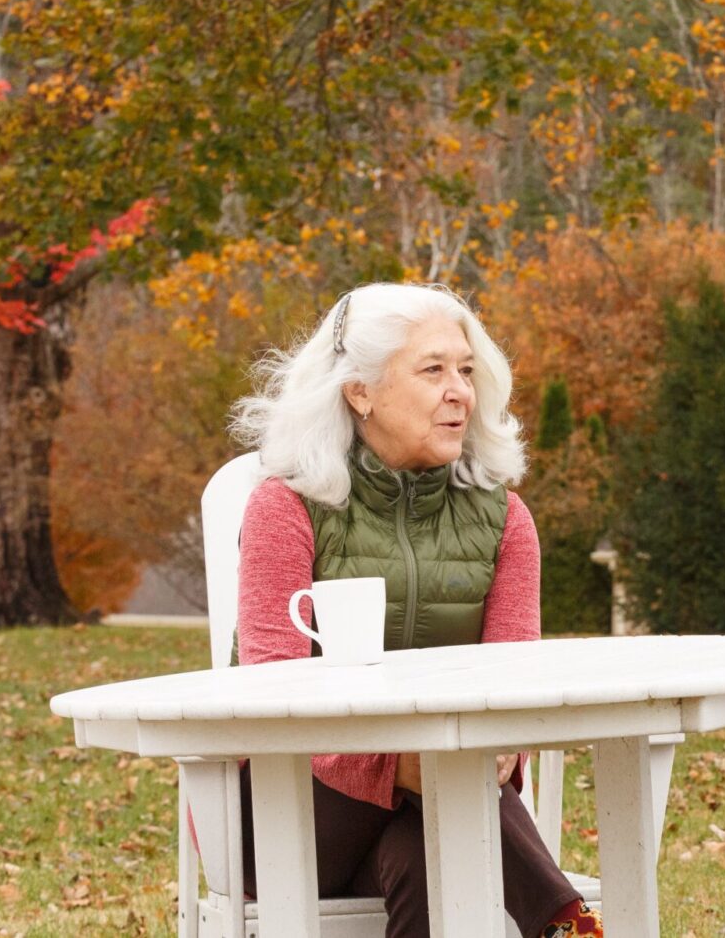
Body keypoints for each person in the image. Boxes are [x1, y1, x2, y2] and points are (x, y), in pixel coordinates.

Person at [228, 283, 601, 938]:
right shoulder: (285, 508)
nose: (459, 388)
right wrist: (401, 765)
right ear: (360, 390)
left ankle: (561, 922)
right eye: (433, 369)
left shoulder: (504, 521)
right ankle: (563, 918)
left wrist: (493, 751)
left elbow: (514, 693)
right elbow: (270, 705)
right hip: (293, 815)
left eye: (465, 369)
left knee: (426, 853)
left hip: (442, 802)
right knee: (446, 788)